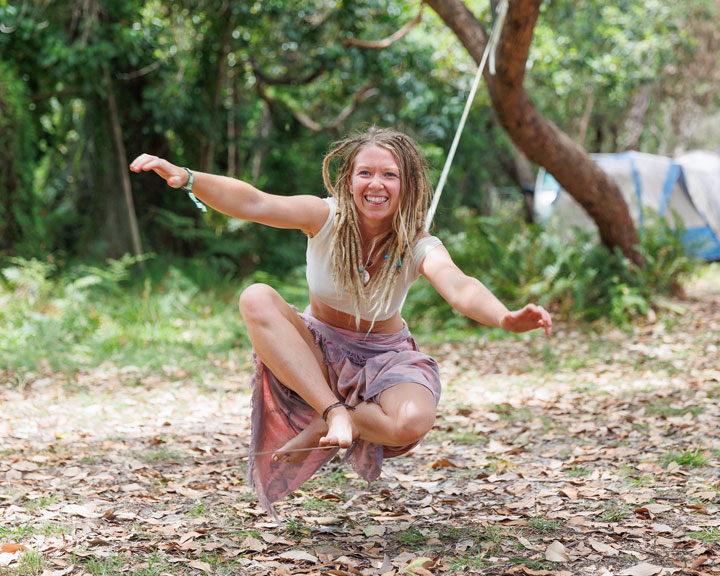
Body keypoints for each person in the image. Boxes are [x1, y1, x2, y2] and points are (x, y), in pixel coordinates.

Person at [129, 126, 552, 519]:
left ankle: (325, 423)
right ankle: (333, 411)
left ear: (407, 185)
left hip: (384, 357)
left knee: (412, 421)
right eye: (365, 172)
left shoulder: (419, 244)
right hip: (318, 351)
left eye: (389, 175)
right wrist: (187, 177)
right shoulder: (323, 217)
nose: (376, 184)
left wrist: (505, 317)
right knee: (255, 296)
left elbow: (459, 286)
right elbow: (256, 202)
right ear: (349, 180)